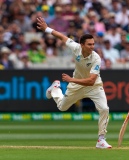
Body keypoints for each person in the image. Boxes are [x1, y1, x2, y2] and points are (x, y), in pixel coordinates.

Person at [36, 17, 112, 149]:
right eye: (89, 44)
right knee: (62, 107)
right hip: (76, 85)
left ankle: (101, 139)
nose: (92, 47)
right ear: (82, 44)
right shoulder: (75, 47)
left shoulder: (96, 58)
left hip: (93, 86)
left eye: (93, 44)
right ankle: (55, 89)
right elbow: (61, 36)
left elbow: (91, 81)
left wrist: (71, 80)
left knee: (104, 109)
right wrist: (46, 29)